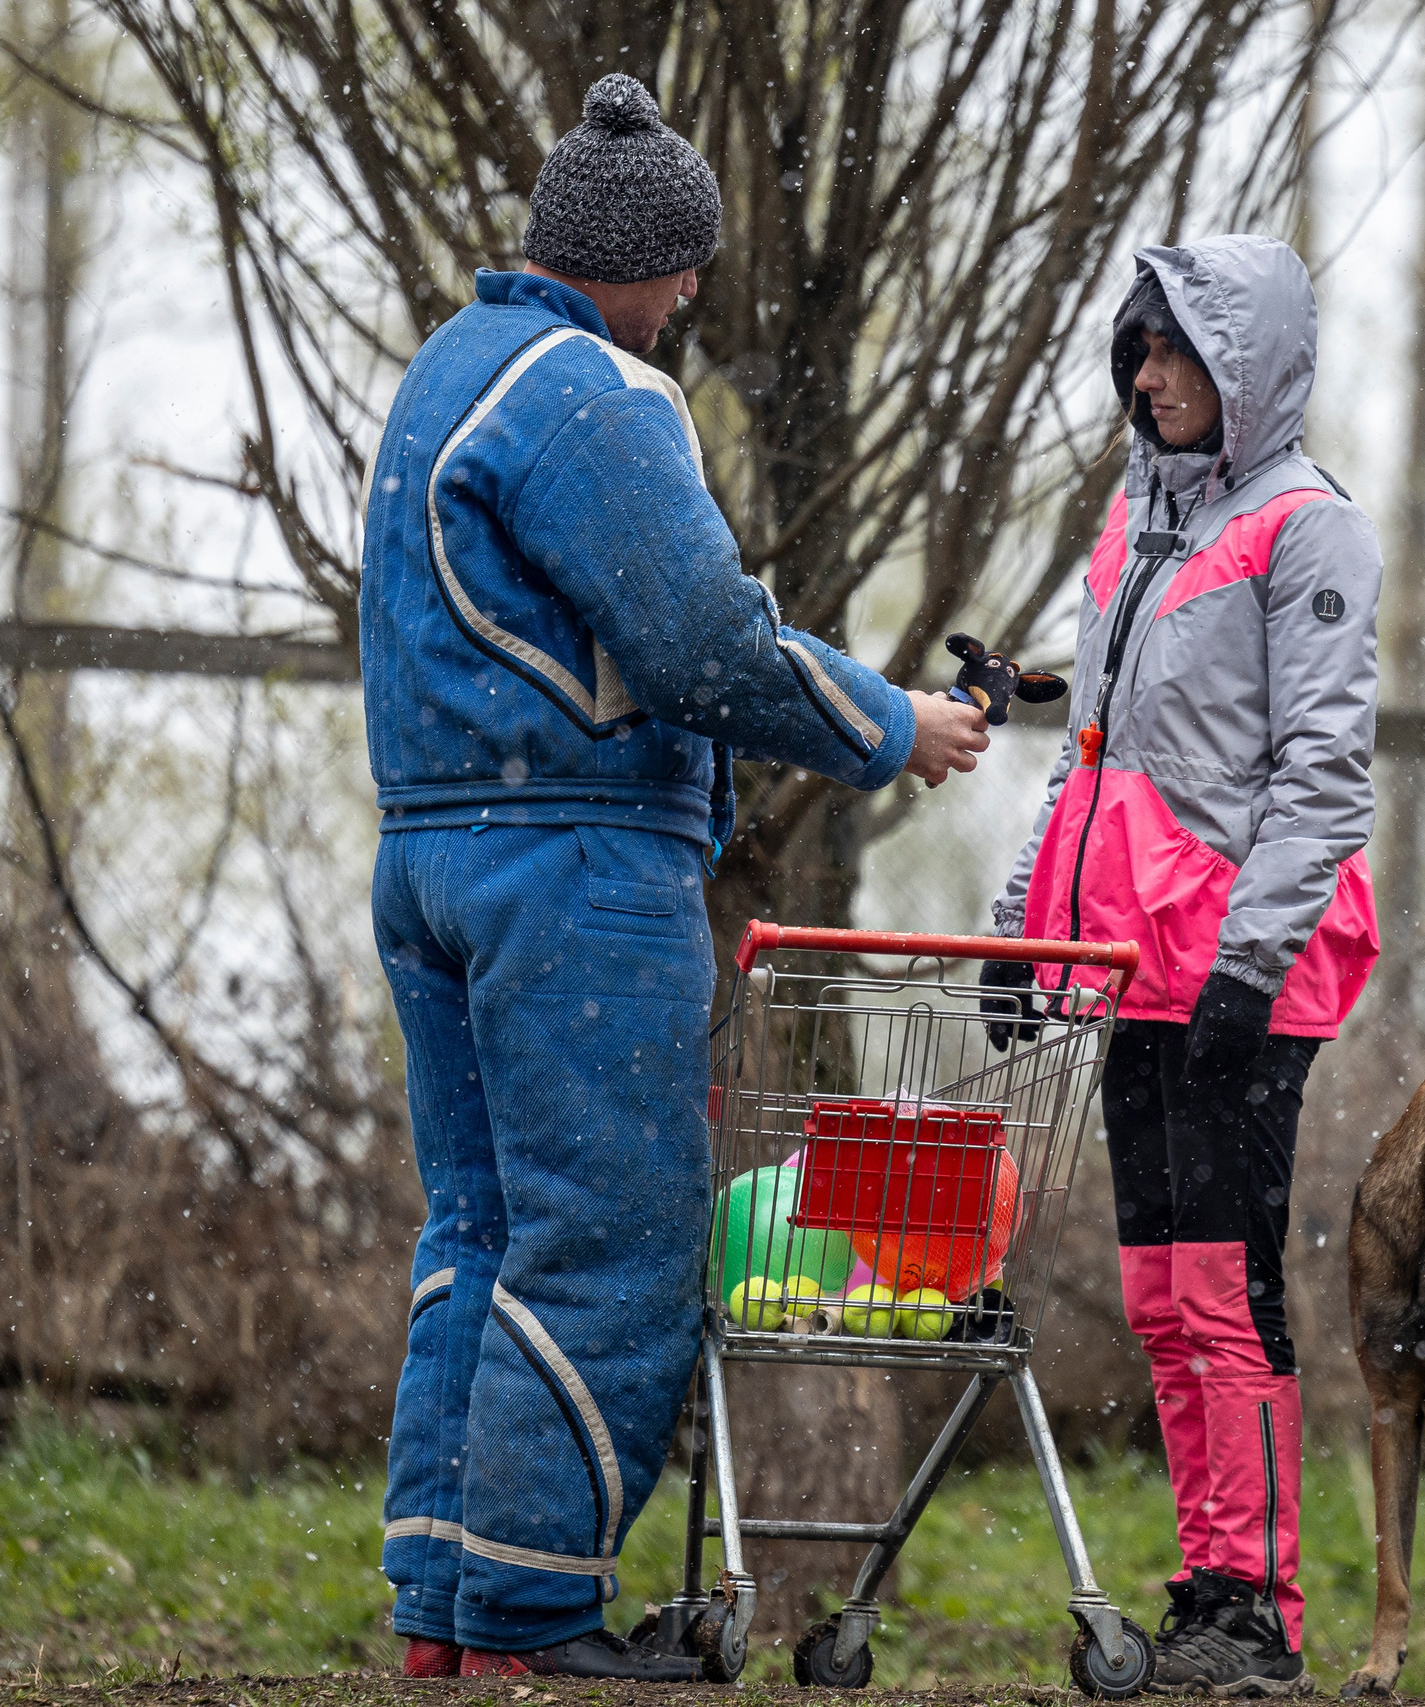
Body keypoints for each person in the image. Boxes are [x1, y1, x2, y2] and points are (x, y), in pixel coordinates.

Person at [360, 73, 988, 1682]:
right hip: (569, 867)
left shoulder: (449, 372)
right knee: (614, 1242)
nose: (694, 293)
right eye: (683, 264)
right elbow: (706, 649)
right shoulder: (594, 396)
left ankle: (443, 1598)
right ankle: (532, 1611)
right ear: (626, 260)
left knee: (482, 1229)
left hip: (433, 848)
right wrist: (887, 724)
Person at [983, 235, 1380, 1696]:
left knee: (1226, 1280)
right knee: (1160, 1287)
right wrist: (1031, 931)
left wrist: (1249, 967)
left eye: (1176, 354)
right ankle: (1209, 1583)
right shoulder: (1131, 528)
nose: (1148, 379)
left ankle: (1256, 1609)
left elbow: (1326, 779)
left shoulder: (1307, 529)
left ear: (1245, 367)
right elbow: (1090, 759)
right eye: (1137, 355)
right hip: (1128, 956)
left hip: (1235, 967)